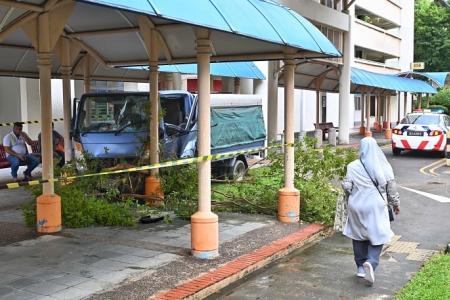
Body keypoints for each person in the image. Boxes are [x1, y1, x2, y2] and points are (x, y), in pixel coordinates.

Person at [341, 137, 400, 285]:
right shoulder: (384, 166)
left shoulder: (352, 166)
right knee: (378, 233)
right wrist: (395, 204)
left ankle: (360, 267)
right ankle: (371, 262)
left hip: (356, 205)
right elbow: (391, 189)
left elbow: (347, 186)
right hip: (376, 206)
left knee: (358, 235)